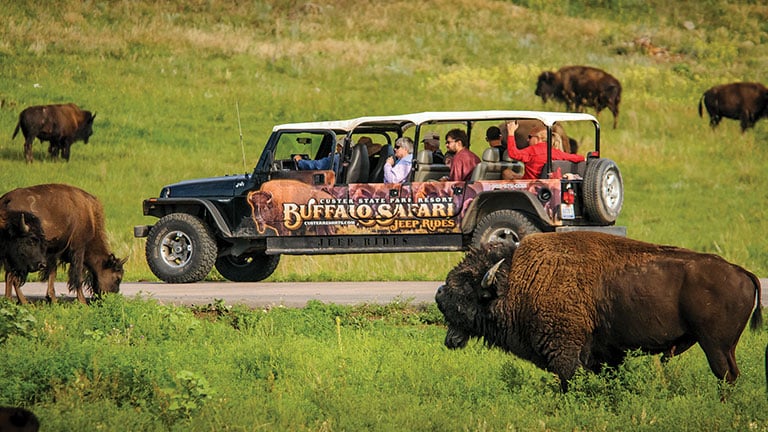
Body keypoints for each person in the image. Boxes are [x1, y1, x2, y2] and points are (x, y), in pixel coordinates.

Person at [505, 121, 584, 180]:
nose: (527, 139)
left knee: (506, 173)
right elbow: (577, 157)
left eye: (530, 137)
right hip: (545, 185)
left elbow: (513, 154)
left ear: (538, 138)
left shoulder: (532, 151)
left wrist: (511, 133)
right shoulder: (555, 152)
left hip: (529, 185)